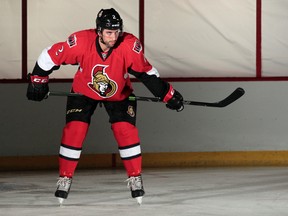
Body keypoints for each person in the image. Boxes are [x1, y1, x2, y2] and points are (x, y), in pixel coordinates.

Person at [26, 8, 184, 205]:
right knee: (74, 130)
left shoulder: (129, 45)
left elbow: (146, 73)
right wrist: (38, 81)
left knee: (125, 130)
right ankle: (65, 178)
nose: (114, 36)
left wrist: (167, 94)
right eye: (109, 32)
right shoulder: (81, 41)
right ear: (98, 31)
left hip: (119, 94)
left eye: (117, 31)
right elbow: (48, 56)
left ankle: (135, 177)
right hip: (83, 92)